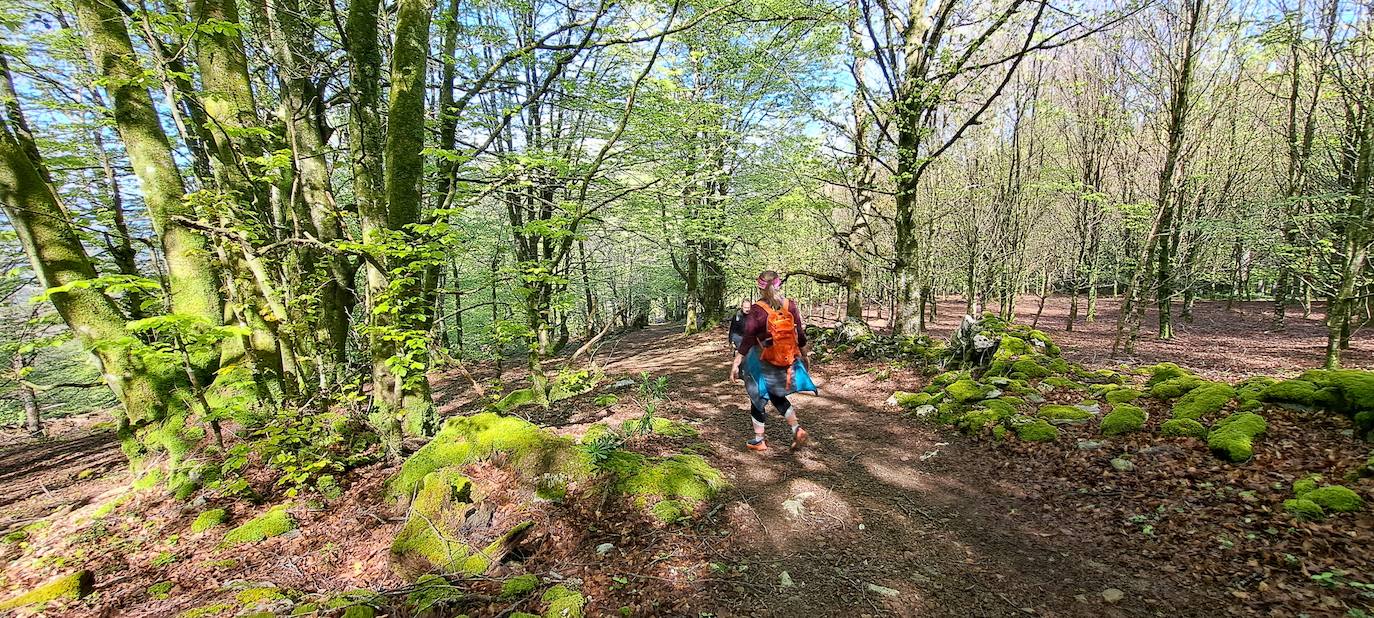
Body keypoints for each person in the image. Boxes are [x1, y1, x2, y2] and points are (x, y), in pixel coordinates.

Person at [729, 271, 817, 451]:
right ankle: (796, 428)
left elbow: (748, 339)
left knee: (757, 397)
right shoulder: (789, 305)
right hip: (786, 358)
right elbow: (799, 333)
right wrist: (804, 355)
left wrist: (736, 362)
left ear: (759, 287)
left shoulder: (757, 309)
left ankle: (759, 439)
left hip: (763, 359)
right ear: (779, 285)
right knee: (777, 394)